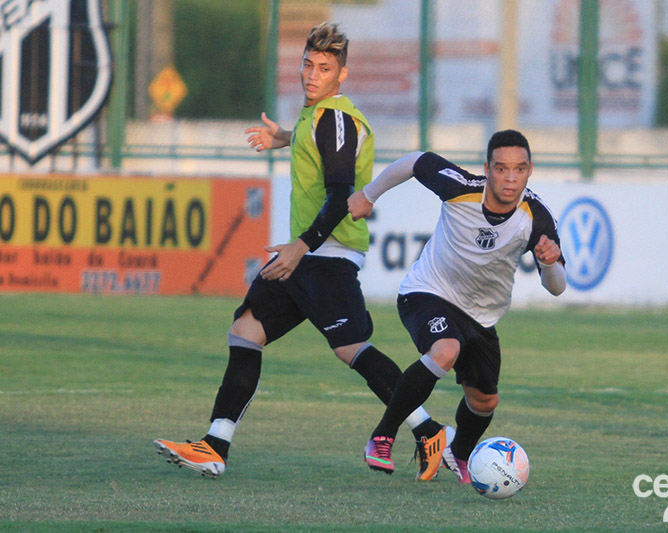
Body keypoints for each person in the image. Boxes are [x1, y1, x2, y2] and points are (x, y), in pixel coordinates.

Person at [154, 22, 448, 480]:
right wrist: (285, 137)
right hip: (309, 256)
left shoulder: (333, 118)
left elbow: (339, 194)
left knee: (351, 348)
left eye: (324, 68)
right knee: (246, 330)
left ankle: (428, 428)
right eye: (308, 65)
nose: (312, 75)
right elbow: (323, 142)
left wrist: (299, 247)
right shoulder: (321, 118)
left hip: (324, 255)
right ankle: (214, 445)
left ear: (341, 75)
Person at [349, 130, 566, 482]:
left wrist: (552, 262)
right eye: (501, 169)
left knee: (484, 402)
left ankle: (457, 453)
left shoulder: (537, 217)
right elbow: (415, 161)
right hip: (427, 292)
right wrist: (368, 194)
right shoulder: (460, 186)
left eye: (519, 169)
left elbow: (556, 287)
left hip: (481, 315)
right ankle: (382, 436)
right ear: (487, 168)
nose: (510, 179)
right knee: (445, 350)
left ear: (530, 170)